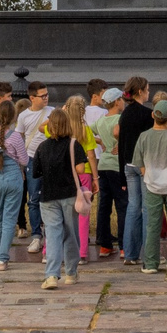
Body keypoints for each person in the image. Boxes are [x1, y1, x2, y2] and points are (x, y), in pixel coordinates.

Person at [133, 94, 167, 272]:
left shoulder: (143, 137)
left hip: (152, 185)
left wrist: (146, 175)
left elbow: (138, 162)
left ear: (153, 116)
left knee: (153, 224)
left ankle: (150, 263)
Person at [32, 108, 83, 288]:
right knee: (71, 233)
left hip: (48, 196)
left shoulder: (42, 146)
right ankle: (71, 272)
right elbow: (80, 169)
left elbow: (36, 172)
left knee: (52, 235)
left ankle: (52, 275)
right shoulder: (73, 144)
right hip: (69, 194)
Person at [0, 93, 30, 270]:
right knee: (10, 219)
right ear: (14, 117)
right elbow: (25, 161)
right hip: (13, 179)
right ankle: (3, 259)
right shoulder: (16, 137)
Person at [117, 77, 155, 264]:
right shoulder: (148, 115)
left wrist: (121, 176)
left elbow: (122, 143)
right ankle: (149, 254)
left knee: (133, 207)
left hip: (128, 165)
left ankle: (130, 253)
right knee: (148, 208)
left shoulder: (125, 113)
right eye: (147, 90)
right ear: (140, 91)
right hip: (144, 165)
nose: (149, 92)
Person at [88, 87, 126, 258]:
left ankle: (105, 245)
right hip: (118, 166)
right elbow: (121, 133)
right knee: (122, 205)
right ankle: (124, 245)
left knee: (104, 206)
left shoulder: (102, 121)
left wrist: (100, 140)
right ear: (117, 102)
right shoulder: (120, 119)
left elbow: (86, 131)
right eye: (122, 99)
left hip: (103, 165)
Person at [16, 84, 52, 254]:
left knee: (51, 197)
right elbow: (19, 139)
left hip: (51, 158)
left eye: (46, 95)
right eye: (42, 95)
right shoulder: (24, 116)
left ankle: (50, 233)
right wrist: (20, 164)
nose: (46, 98)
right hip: (31, 159)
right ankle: (36, 235)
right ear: (32, 98)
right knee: (34, 198)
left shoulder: (53, 111)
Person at [64, 95, 97, 261]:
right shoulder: (86, 130)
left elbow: (43, 128)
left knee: (61, 213)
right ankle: (82, 252)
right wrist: (96, 178)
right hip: (84, 173)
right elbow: (91, 155)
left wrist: (61, 112)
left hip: (66, 172)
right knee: (83, 213)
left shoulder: (61, 129)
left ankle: (50, 251)